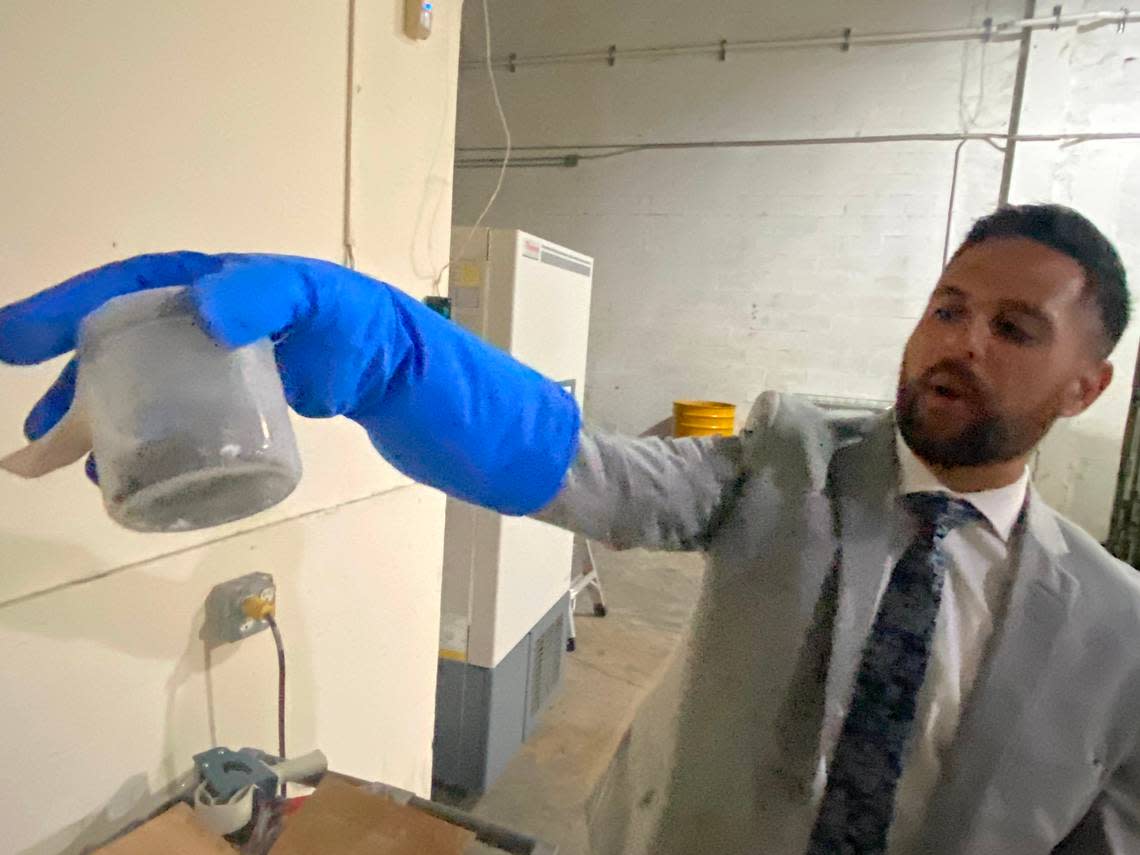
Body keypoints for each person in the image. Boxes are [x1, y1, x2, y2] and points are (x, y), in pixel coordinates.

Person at [1, 204, 1137, 854]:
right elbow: (587, 473)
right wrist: (400, 359)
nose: (961, 341)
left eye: (1012, 327)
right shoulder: (791, 469)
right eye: (948, 307)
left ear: (1084, 386)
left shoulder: (1115, 628)